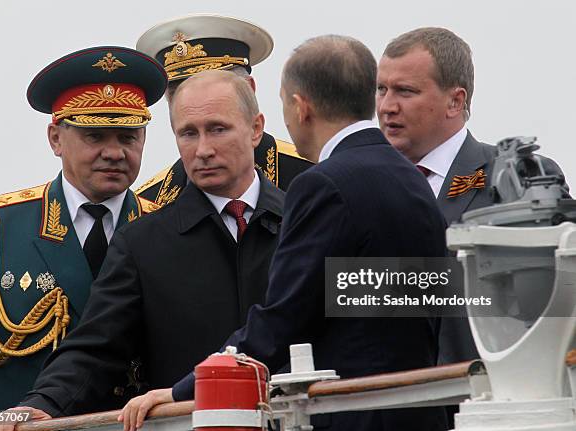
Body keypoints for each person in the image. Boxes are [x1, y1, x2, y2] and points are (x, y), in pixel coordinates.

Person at [121, 35, 449, 431]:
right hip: (419, 411)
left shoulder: (323, 184)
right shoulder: (412, 178)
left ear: (300, 106)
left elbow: (282, 320)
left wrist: (182, 392)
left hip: (353, 417)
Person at [0, 70, 285, 425]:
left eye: (218, 129)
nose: (203, 150)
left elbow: (358, 319)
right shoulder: (142, 242)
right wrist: (43, 403)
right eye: (188, 134)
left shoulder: (310, 223)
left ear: (256, 128)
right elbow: (95, 347)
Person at [0, 46, 167, 416]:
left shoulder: (167, 230)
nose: (114, 152)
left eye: (128, 137)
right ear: (55, 138)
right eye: (95, 136)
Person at [375, 27, 568, 367]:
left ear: (455, 101)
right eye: (381, 89)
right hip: (391, 402)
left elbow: (546, 300)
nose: (387, 106)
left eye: (405, 91)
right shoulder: (364, 188)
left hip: (491, 396)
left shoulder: (514, 178)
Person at [134, 14, 313, 212]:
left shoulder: (312, 177)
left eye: (211, 88)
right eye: (179, 93)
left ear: (249, 90)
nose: (194, 100)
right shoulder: (149, 204)